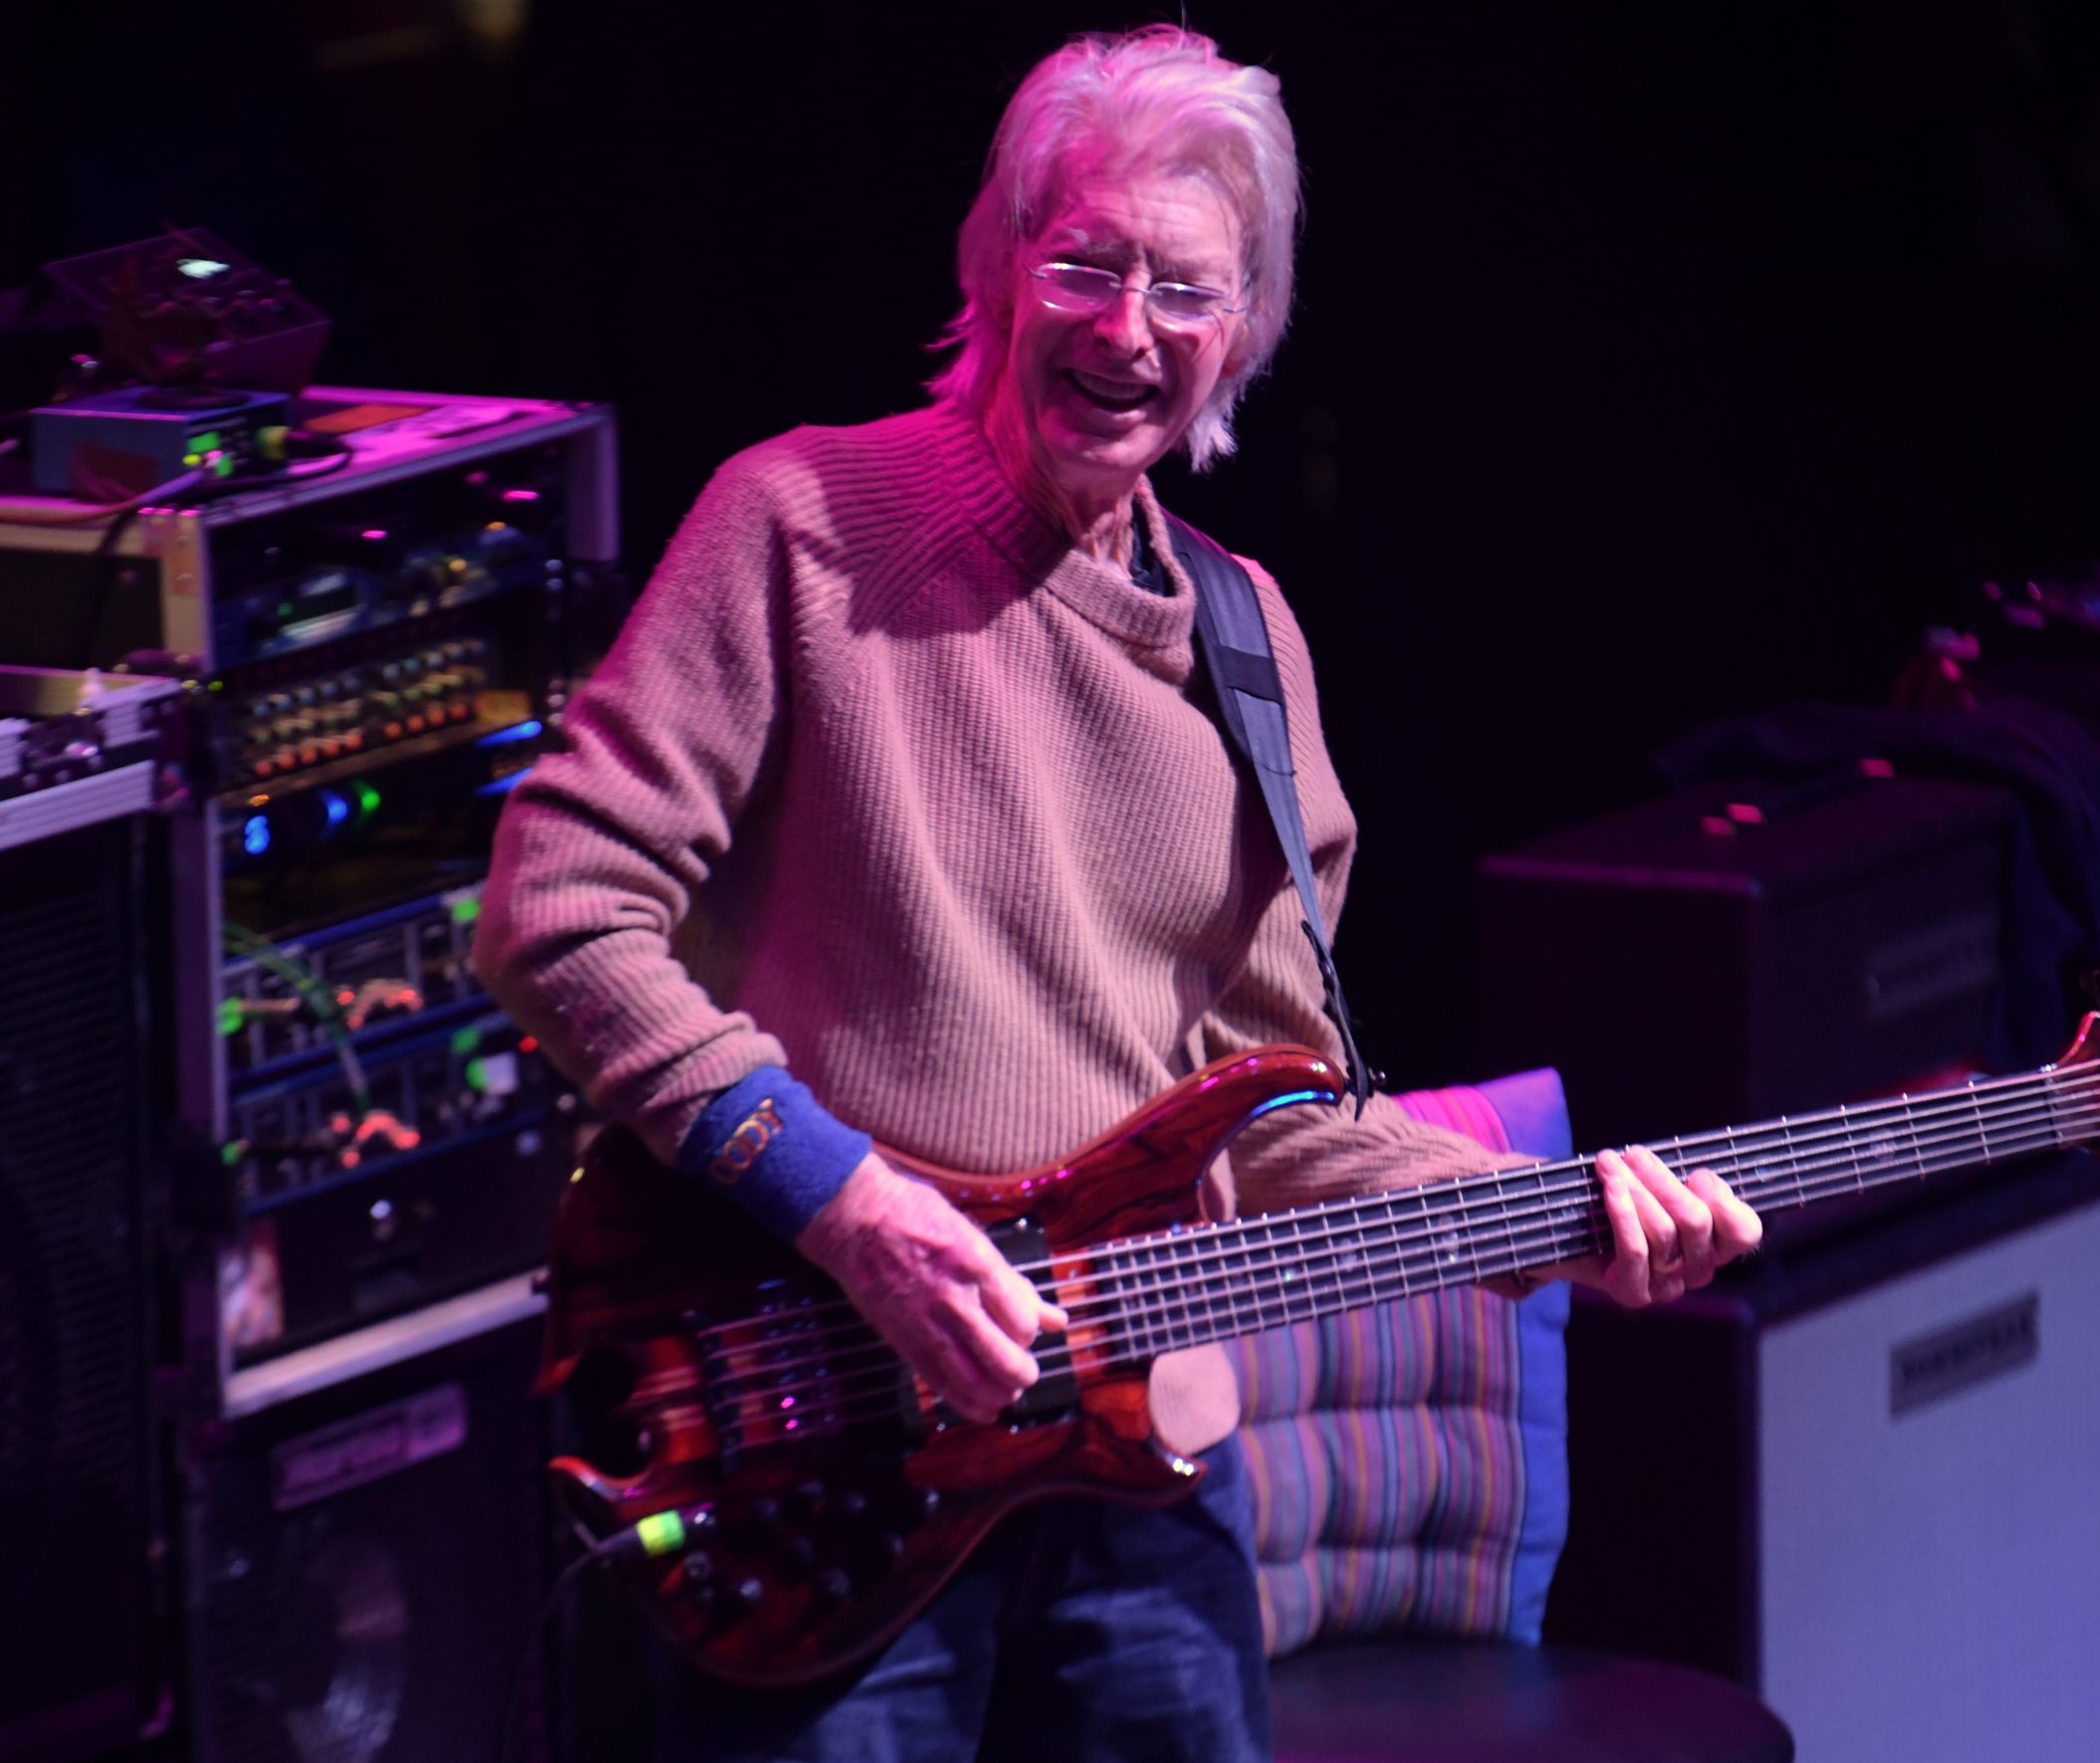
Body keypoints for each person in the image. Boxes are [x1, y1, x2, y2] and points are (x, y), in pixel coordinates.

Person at [474, 27, 1760, 1762]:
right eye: (1085, 262)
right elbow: (556, 906)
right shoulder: (794, 526)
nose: (1127, 327)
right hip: (815, 1440)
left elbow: (1280, 1119)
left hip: (1140, 1462)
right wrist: (857, 1212)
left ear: (1246, 332)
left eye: (1186, 288)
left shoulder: (1249, 641)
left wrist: (1553, 1220)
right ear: (996, 266)